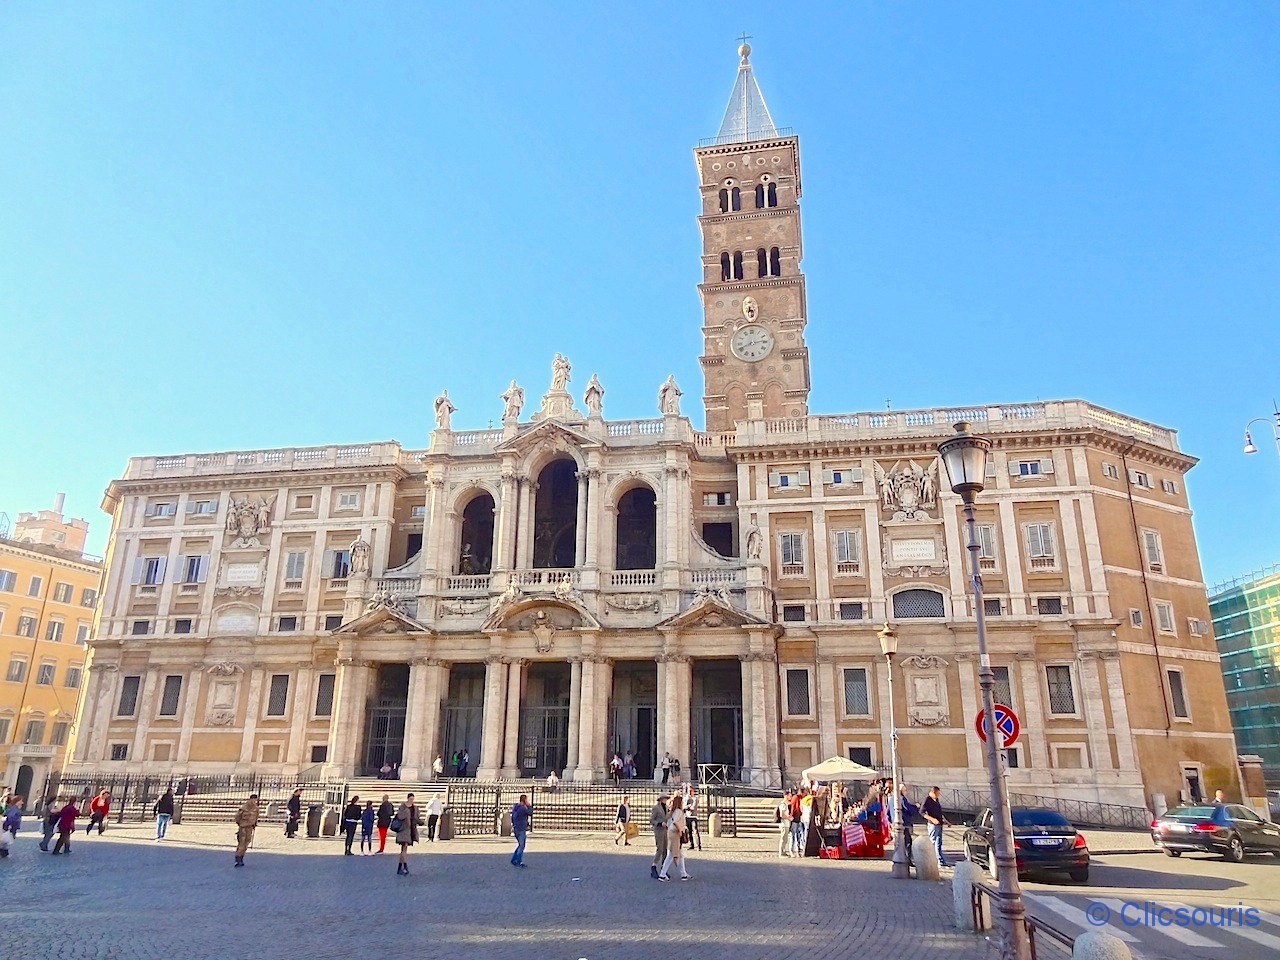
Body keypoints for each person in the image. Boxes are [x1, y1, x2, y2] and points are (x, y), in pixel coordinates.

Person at [658, 793, 690, 881]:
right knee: (672, 854)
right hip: (675, 833)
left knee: (679, 854)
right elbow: (675, 822)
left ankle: (683, 873)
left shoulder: (672, 811)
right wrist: (680, 830)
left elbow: (669, 822)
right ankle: (662, 874)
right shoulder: (679, 811)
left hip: (671, 833)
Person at [921, 786, 950, 868]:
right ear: (933, 792)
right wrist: (932, 819)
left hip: (939, 824)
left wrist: (946, 821)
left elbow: (939, 812)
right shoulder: (927, 800)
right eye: (937, 793)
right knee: (933, 842)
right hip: (933, 825)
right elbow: (922, 812)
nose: (938, 795)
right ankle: (933, 859)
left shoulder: (936, 800)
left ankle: (940, 860)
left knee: (939, 843)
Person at [394, 793, 420, 875]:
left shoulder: (415, 808)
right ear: (408, 798)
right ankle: (404, 867)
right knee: (404, 849)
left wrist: (420, 822)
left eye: (413, 799)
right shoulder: (403, 807)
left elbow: (416, 818)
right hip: (403, 830)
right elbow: (400, 816)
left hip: (411, 830)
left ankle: (400, 868)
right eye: (410, 799)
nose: (412, 800)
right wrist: (406, 812)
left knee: (403, 850)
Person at [233, 793, 259, 867]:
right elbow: (237, 817)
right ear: (250, 799)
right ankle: (237, 859)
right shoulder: (244, 807)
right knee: (241, 844)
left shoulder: (256, 808)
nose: (255, 801)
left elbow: (256, 817)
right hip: (243, 827)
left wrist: (254, 824)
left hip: (250, 827)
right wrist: (240, 824)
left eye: (256, 800)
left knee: (247, 843)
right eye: (254, 799)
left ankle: (242, 858)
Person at [649, 793, 668, 880]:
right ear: (660, 799)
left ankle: (663, 868)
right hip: (659, 830)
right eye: (664, 798)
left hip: (665, 831)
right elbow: (651, 820)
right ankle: (654, 866)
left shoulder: (667, 807)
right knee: (659, 849)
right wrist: (659, 823)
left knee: (665, 850)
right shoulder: (656, 808)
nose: (665, 800)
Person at [510, 793, 532, 867]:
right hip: (521, 828)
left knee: (520, 845)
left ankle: (514, 859)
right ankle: (518, 860)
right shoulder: (523, 808)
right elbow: (530, 812)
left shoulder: (516, 807)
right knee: (522, 845)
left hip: (516, 827)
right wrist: (528, 805)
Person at [683, 785, 703, 851]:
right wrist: (687, 807)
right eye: (689, 791)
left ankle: (698, 845)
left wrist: (688, 807)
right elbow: (683, 806)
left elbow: (693, 807)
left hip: (693, 816)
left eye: (691, 791)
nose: (690, 792)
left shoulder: (695, 798)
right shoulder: (685, 798)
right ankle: (692, 844)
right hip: (687, 816)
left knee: (695, 831)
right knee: (689, 831)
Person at [776, 790, 793, 857]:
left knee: (785, 839)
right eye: (790, 796)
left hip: (786, 824)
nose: (790, 797)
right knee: (783, 838)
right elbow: (782, 815)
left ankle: (784, 851)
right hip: (784, 824)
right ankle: (781, 852)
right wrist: (788, 817)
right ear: (786, 796)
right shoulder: (783, 805)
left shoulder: (785, 804)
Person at [789, 789, 805, 856]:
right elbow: (793, 807)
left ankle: (798, 849)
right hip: (794, 818)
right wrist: (791, 816)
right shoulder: (796, 797)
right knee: (793, 835)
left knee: (798, 835)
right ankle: (791, 850)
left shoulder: (801, 798)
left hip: (798, 818)